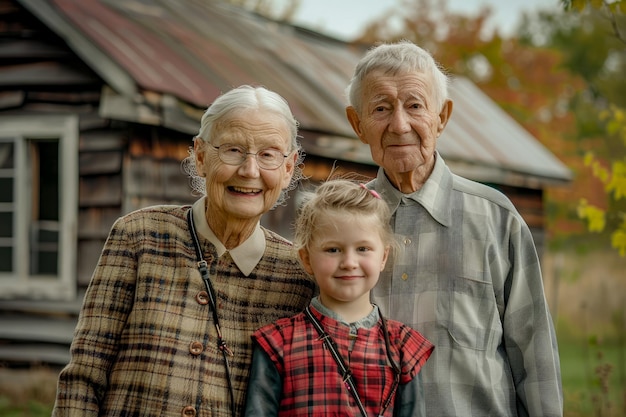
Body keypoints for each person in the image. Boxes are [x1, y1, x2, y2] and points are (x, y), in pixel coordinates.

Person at [52, 85, 316, 417]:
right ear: (201, 156)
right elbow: (84, 376)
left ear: (288, 168)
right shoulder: (139, 236)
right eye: (233, 150)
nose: (250, 171)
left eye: (268, 154)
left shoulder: (298, 273)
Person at [344, 41, 563, 416]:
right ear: (358, 124)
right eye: (381, 108)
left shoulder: (496, 219)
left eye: (415, 106)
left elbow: (536, 360)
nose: (400, 124)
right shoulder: (341, 223)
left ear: (441, 117)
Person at [243, 179, 434, 417]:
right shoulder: (277, 343)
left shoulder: (403, 347)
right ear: (306, 258)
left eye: (363, 249)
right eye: (333, 249)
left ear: (383, 257)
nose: (349, 263)